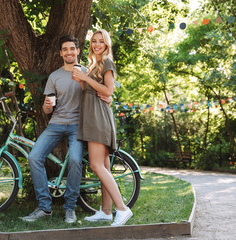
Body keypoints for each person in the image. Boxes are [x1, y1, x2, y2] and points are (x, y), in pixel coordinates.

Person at [21, 35, 86, 224]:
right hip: (56, 124)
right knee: (34, 157)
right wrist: (48, 105)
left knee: (75, 160)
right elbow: (46, 109)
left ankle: (70, 208)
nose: (69, 52)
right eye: (65, 49)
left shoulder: (86, 72)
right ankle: (44, 207)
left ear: (78, 51)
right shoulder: (54, 76)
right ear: (60, 53)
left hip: (77, 126)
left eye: (72, 48)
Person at [71, 29, 133, 226]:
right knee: (104, 166)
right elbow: (91, 90)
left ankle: (122, 209)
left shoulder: (107, 62)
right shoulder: (93, 64)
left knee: (96, 165)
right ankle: (106, 211)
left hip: (99, 118)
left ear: (106, 45)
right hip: (92, 116)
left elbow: (109, 90)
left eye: (101, 41)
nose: (97, 44)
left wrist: (86, 79)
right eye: (94, 41)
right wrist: (81, 80)